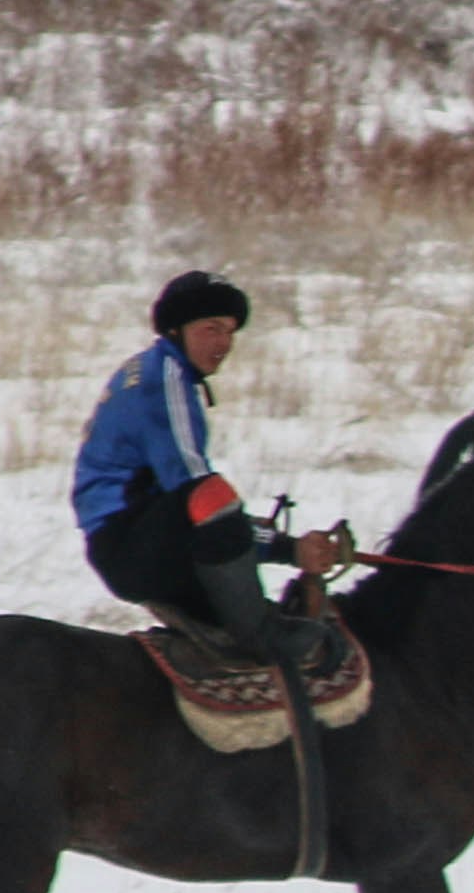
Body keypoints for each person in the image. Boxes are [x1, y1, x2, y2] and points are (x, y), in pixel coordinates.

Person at [71, 269, 349, 673]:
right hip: (131, 545)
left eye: (230, 333)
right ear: (175, 329)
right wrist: (289, 549)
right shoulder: (164, 383)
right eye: (211, 329)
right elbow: (200, 498)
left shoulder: (153, 370)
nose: (223, 345)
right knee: (215, 497)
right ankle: (262, 635)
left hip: (134, 537)